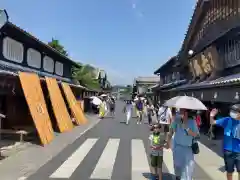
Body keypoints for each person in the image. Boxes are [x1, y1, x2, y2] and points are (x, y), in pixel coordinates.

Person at [166, 108, 199, 180]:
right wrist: (167, 142)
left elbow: (196, 135)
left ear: (187, 112)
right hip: (177, 147)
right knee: (177, 168)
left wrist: (187, 128)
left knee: (187, 170)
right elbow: (171, 132)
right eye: (180, 110)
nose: (180, 112)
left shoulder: (192, 122)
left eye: (182, 110)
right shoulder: (176, 120)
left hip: (188, 149)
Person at [210, 104, 240, 180]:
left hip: (239, 152)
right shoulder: (227, 120)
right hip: (228, 151)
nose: (232, 113)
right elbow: (213, 122)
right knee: (229, 171)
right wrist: (211, 116)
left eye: (235, 111)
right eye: (232, 111)